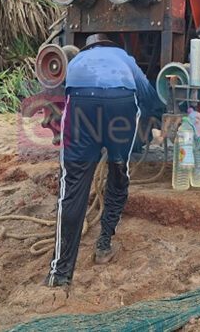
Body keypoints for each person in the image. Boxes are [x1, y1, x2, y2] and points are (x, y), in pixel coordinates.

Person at [45, 34, 163, 287]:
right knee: (118, 175)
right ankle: (104, 245)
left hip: (80, 102)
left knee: (73, 185)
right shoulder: (124, 58)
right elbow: (149, 97)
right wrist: (157, 121)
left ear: (88, 47)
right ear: (111, 46)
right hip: (120, 104)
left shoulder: (77, 60)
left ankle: (60, 274)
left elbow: (62, 94)